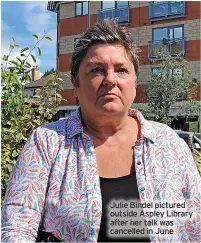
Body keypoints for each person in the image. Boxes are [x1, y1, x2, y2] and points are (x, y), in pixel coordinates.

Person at [2, 19, 201, 243]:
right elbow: (16, 228)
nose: (110, 80)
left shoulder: (168, 143)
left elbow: (195, 227)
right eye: (96, 70)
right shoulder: (46, 144)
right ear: (75, 82)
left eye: (122, 70)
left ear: (135, 82)